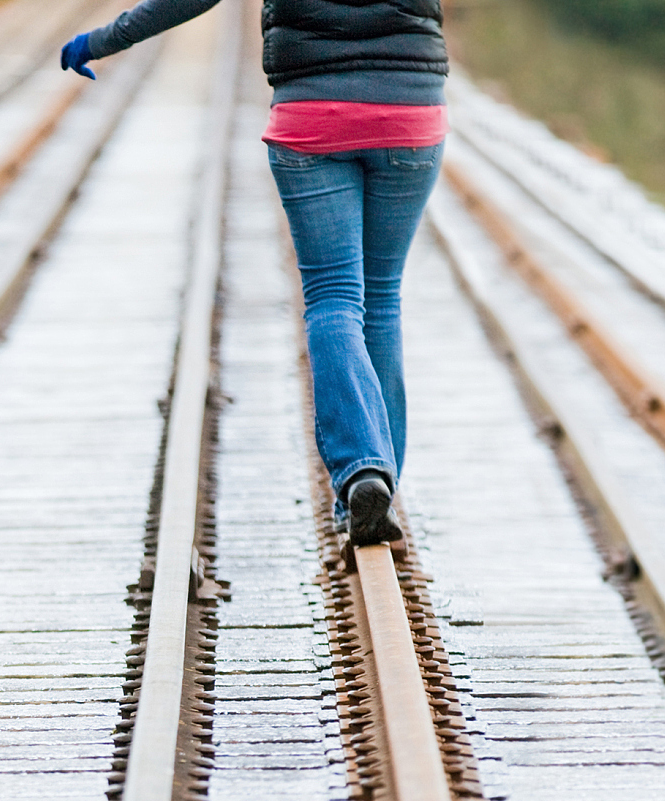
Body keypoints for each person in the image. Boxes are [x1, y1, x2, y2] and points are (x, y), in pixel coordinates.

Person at [61, 0, 447, 545]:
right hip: (410, 113)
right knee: (380, 299)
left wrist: (105, 39)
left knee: (335, 297)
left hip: (312, 117)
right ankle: (380, 485)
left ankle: (364, 472)